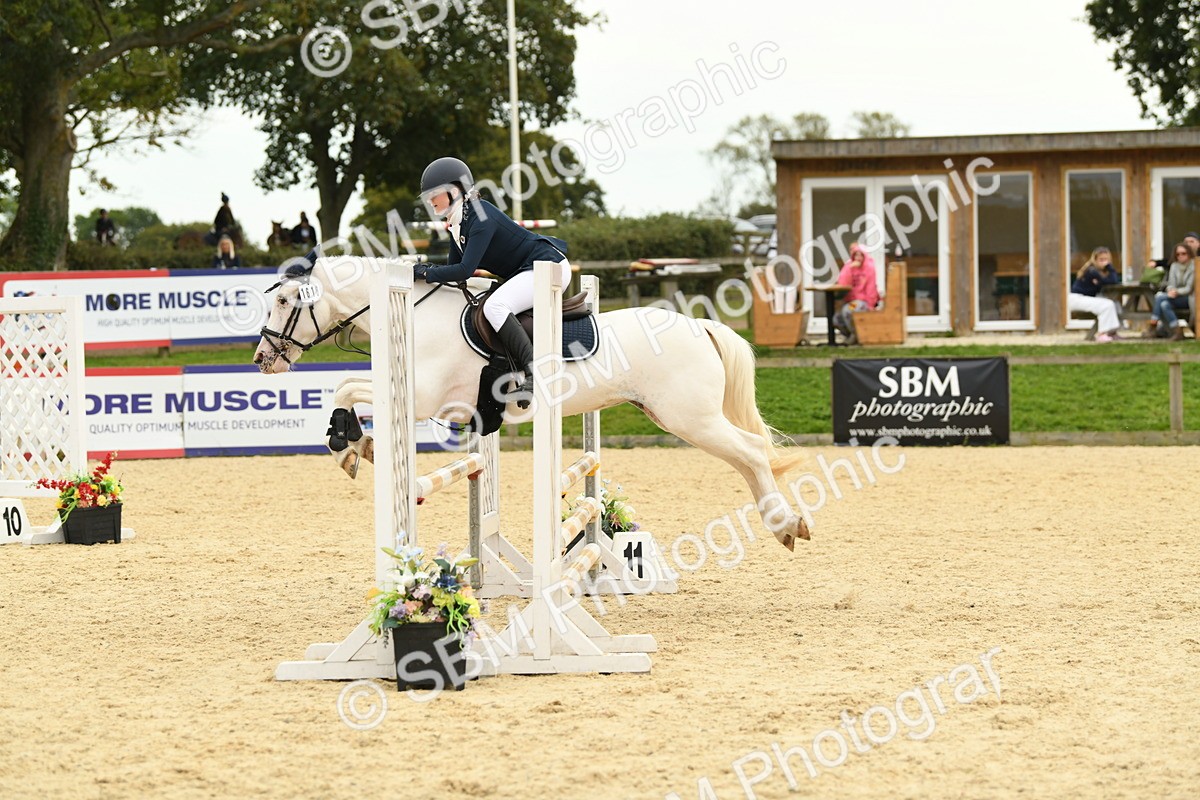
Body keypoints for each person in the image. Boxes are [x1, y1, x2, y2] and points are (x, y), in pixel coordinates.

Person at [413, 156, 570, 408]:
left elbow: (464, 270)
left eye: (434, 194)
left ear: (454, 191)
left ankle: (534, 373)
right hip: (527, 271)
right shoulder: (458, 221)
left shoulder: (480, 216)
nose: (430, 201)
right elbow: (452, 271)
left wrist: (426, 273)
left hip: (548, 267)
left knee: (494, 307)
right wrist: (426, 272)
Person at [1068, 247, 1122, 342]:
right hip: (1077, 299)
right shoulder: (1091, 271)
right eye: (1101, 260)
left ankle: (1112, 332)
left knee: (1115, 304)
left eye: (1106, 260)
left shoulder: (1100, 272)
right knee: (1107, 305)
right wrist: (1110, 268)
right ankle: (1102, 334)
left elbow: (1114, 281)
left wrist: (1109, 268)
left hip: (1086, 298)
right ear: (1095, 260)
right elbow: (1110, 281)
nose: (1104, 262)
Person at [1144, 241, 1195, 340]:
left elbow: (1189, 288)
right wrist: (1171, 290)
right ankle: (1177, 331)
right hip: (1174, 297)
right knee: (1164, 304)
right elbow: (1170, 284)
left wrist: (1176, 292)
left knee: (1159, 297)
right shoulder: (1174, 266)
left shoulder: (1194, 266)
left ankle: (1153, 325)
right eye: (1178, 254)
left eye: (1183, 253)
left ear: (1189, 254)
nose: (1180, 256)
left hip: (1189, 298)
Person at [831, 243, 879, 345]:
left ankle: (855, 335)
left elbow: (871, 288)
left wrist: (871, 305)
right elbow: (842, 283)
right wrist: (849, 268)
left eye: (861, 255)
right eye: (856, 255)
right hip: (850, 301)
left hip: (863, 302)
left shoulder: (869, 268)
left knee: (847, 310)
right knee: (836, 319)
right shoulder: (849, 266)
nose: (858, 258)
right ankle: (850, 335)